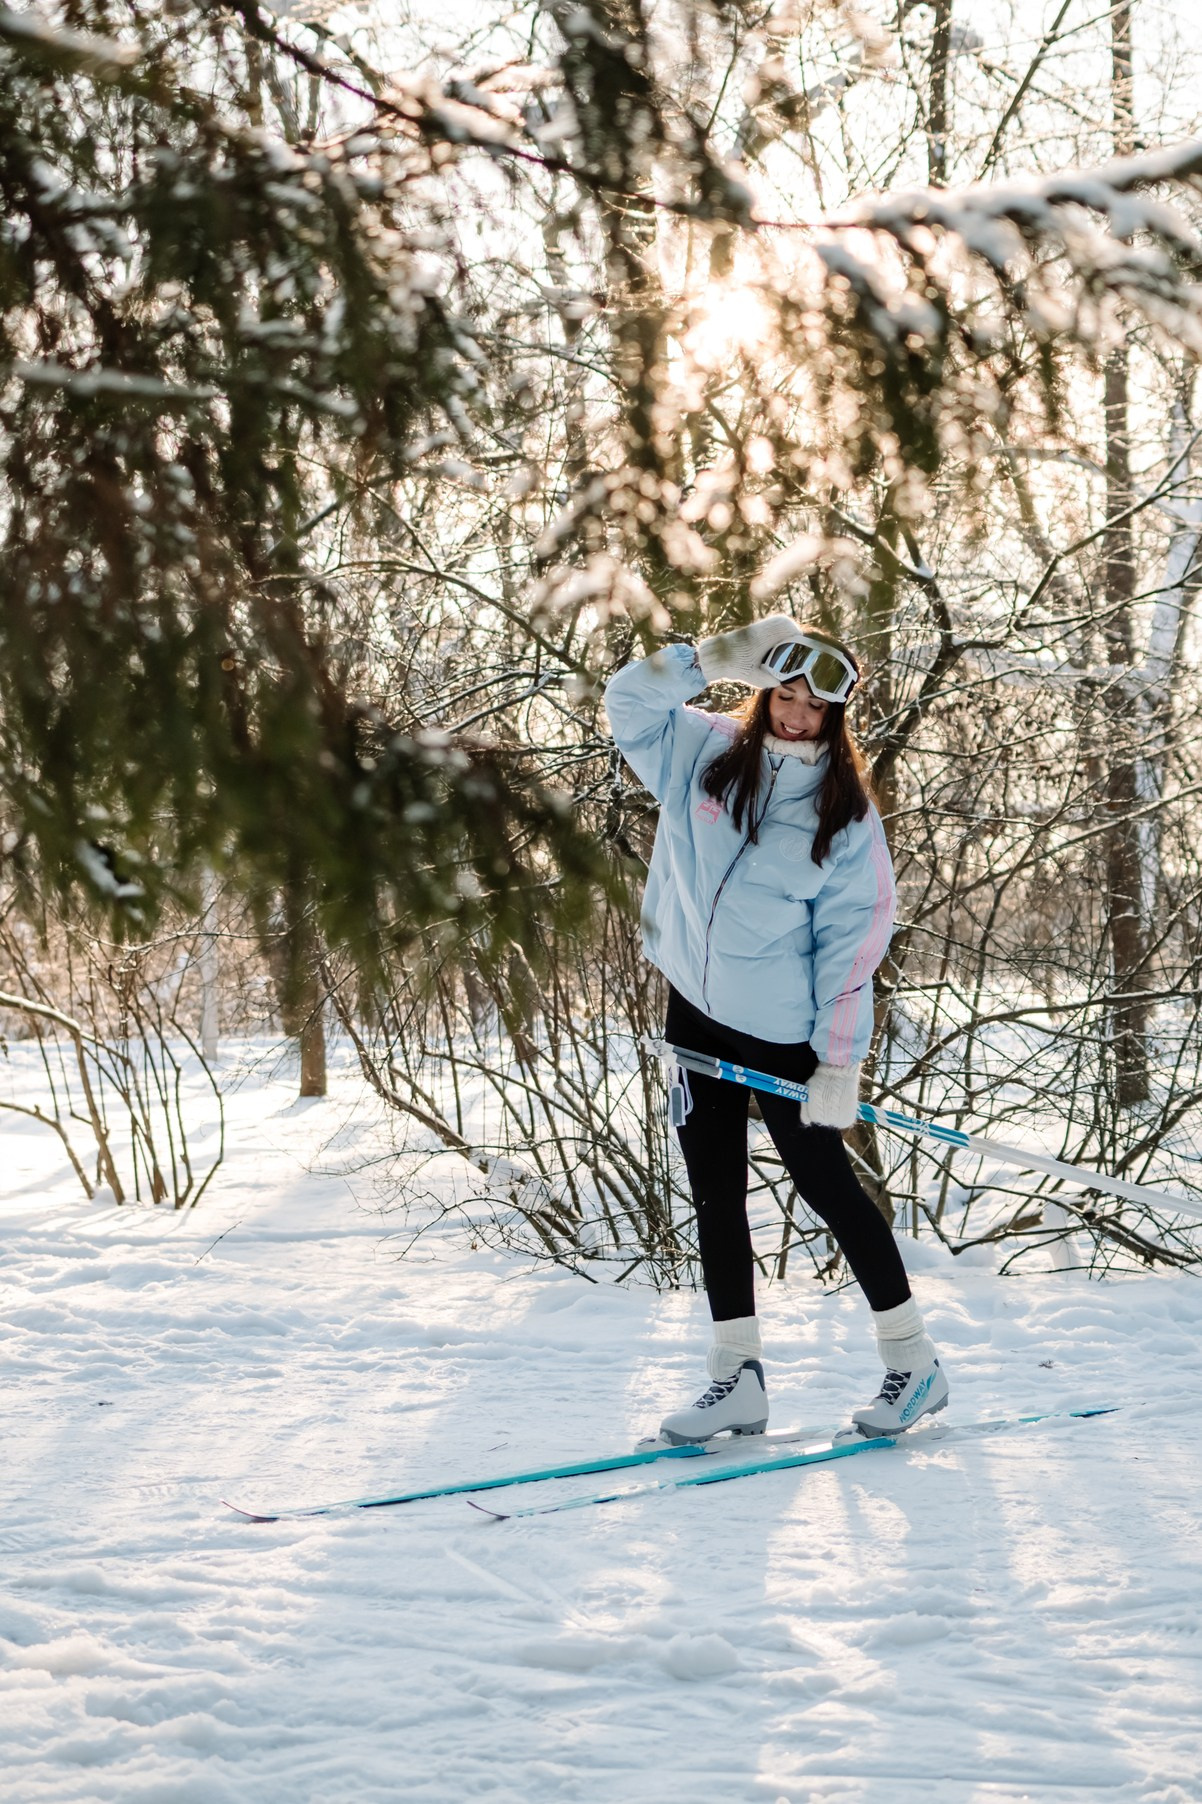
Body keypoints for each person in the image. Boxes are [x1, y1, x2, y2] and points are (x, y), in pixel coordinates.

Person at [604, 614, 948, 1443]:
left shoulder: (847, 818)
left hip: (780, 1034)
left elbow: (852, 951)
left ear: (836, 717)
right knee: (716, 1192)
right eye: (783, 693)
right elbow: (626, 699)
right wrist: (720, 652)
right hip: (692, 1008)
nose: (795, 714)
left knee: (824, 1186)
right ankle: (737, 1379)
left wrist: (838, 1063)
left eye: (813, 706)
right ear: (763, 688)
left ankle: (916, 1361)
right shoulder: (702, 751)